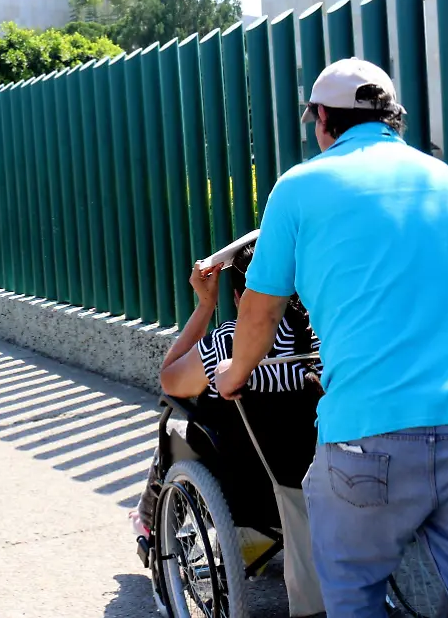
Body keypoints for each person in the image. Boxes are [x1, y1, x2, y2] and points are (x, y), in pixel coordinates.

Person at [215, 58, 448, 616]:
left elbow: (260, 311)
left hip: (368, 435)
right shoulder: (441, 177)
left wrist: (234, 374)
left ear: (322, 119)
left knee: (352, 593)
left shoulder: (298, 187)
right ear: (393, 120)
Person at [135, 243, 325, 617]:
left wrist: (205, 306)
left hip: (253, 493)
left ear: (240, 298)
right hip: (327, 479)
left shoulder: (226, 343)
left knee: (182, 428)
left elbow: (169, 380)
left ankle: (146, 519)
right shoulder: (326, 339)